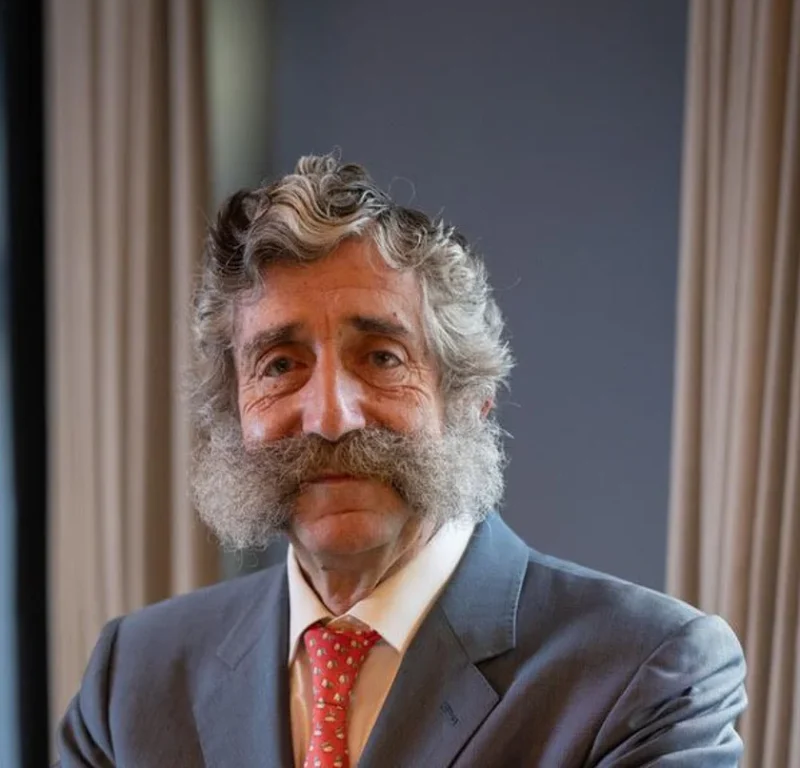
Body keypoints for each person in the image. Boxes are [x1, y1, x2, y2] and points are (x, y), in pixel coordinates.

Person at [56, 155, 746, 767]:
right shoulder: (133, 679)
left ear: (469, 400)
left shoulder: (648, 672)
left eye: (382, 358)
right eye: (280, 365)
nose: (331, 417)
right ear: (232, 415)